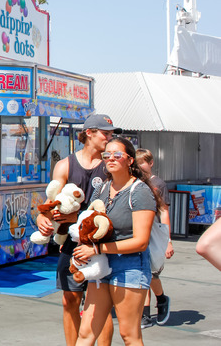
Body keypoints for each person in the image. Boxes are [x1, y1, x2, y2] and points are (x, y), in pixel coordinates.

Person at [36, 114, 119, 346]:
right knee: (69, 301)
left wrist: (77, 217)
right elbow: (51, 203)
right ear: (89, 133)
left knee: (101, 306)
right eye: (106, 133)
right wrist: (42, 219)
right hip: (72, 243)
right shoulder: (65, 165)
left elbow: (116, 207)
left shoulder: (111, 165)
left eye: (112, 133)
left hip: (101, 245)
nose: (110, 137)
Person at [73, 137, 161, 346]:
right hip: (100, 266)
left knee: (129, 335)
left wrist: (96, 249)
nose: (110, 159)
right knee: (86, 332)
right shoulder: (102, 188)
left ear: (130, 160)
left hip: (129, 266)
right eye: (106, 155)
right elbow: (89, 223)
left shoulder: (140, 192)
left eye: (117, 155)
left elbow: (141, 242)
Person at [136, 148, 173, 328]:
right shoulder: (133, 182)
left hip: (155, 233)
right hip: (137, 232)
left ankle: (162, 299)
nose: (140, 165)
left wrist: (168, 241)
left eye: (143, 162)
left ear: (150, 163)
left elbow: (164, 212)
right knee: (142, 273)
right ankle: (144, 314)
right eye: (137, 162)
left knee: (151, 275)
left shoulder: (158, 184)